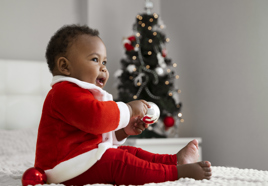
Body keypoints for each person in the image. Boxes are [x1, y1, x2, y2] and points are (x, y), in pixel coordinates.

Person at [34, 24, 212, 185]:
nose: (103, 68)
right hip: (62, 168)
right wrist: (128, 109)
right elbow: (98, 119)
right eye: (95, 60)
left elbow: (94, 134)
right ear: (65, 66)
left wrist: (123, 131)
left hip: (81, 160)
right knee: (117, 161)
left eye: (104, 62)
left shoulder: (83, 94)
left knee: (128, 152)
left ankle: (173, 160)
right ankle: (176, 173)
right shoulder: (63, 92)